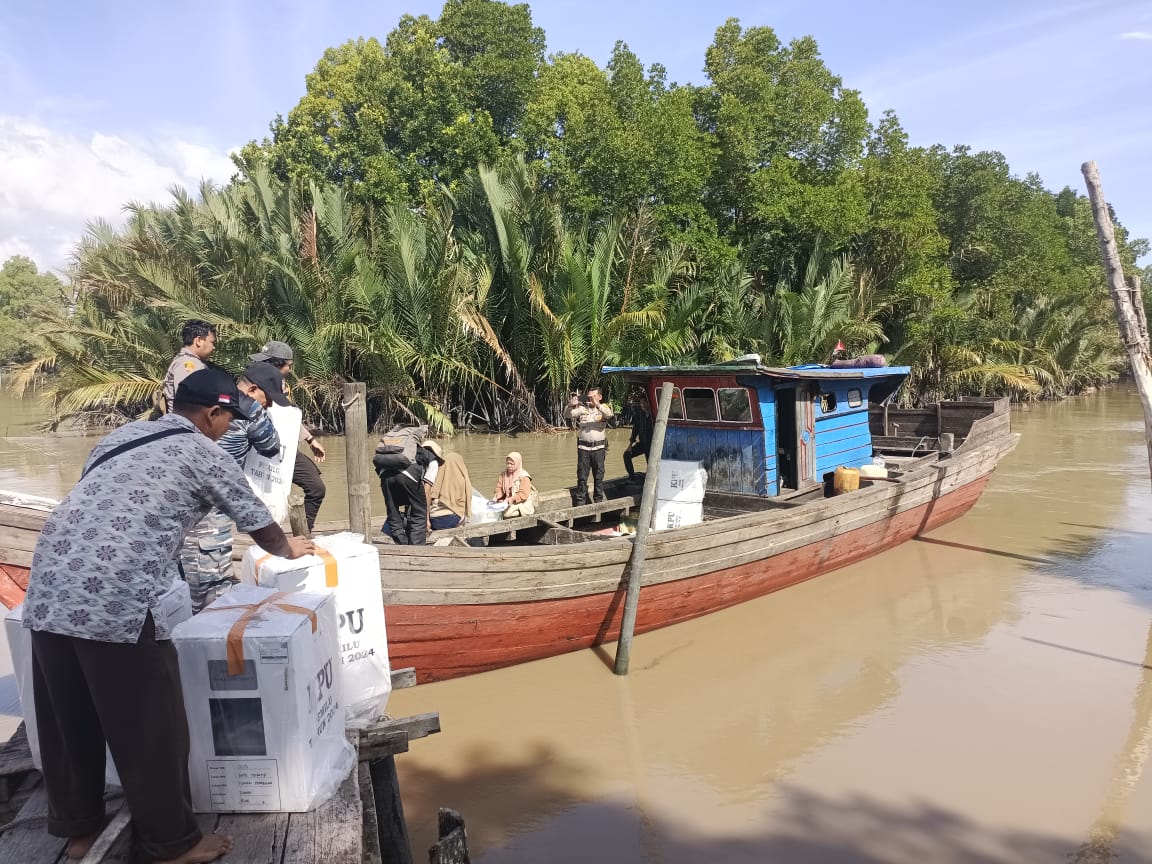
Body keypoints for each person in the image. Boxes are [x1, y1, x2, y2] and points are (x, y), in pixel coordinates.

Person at [23, 368, 313, 864]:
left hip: (48, 588)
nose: (228, 430)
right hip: (116, 598)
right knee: (150, 725)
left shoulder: (122, 436)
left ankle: (79, 830)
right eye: (227, 420)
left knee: (69, 721)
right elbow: (259, 523)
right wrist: (290, 548)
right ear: (213, 414)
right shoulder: (206, 452)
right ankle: (173, 842)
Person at [178, 362, 287, 613]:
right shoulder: (249, 411)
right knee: (211, 593)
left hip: (175, 517)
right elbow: (270, 446)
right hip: (212, 514)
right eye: (267, 398)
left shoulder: (186, 409)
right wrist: (288, 549)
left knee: (181, 583)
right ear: (253, 390)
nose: (268, 404)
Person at [250, 340, 327, 531]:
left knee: (316, 487)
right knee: (262, 494)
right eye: (289, 366)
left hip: (286, 449)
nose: (290, 370)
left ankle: (303, 532)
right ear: (276, 365)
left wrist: (310, 439)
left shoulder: (281, 384)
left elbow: (287, 417)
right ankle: (263, 536)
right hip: (260, 449)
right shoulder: (252, 384)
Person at [380, 441, 443, 545]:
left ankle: (402, 546)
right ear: (435, 454)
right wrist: (426, 520)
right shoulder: (433, 461)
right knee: (419, 515)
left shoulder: (407, 454)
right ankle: (416, 550)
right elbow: (426, 492)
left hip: (385, 475)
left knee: (393, 512)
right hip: (407, 476)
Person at [567, 386, 614, 505]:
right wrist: (569, 405)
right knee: (582, 477)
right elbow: (568, 415)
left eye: (593, 396)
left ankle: (598, 501)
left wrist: (597, 404)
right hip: (583, 449)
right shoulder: (582, 409)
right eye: (589, 397)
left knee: (598, 477)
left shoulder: (603, 408)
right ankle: (580, 503)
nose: (590, 399)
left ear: (599, 397)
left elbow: (609, 415)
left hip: (598, 449)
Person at [162, 320, 217, 411]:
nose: (213, 347)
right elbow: (188, 399)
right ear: (198, 341)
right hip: (185, 422)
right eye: (212, 342)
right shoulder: (188, 364)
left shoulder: (190, 362)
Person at [428, 451, 473, 530]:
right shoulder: (462, 479)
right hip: (453, 519)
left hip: (434, 519)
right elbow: (467, 499)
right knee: (462, 517)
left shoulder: (438, 475)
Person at [493, 452, 536, 518]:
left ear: (517, 464)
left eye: (512, 464)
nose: (509, 466)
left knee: (506, 514)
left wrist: (511, 499)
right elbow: (499, 488)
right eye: (508, 463)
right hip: (507, 501)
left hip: (522, 503)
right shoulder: (503, 475)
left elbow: (523, 494)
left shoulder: (524, 477)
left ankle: (520, 512)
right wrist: (499, 498)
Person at [623, 394, 653, 482]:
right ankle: (632, 478)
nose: (642, 405)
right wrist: (630, 446)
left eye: (644, 402)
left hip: (652, 447)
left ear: (649, 403)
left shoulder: (654, 416)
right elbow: (635, 430)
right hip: (643, 444)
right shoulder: (639, 415)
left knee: (651, 467)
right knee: (626, 455)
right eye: (641, 403)